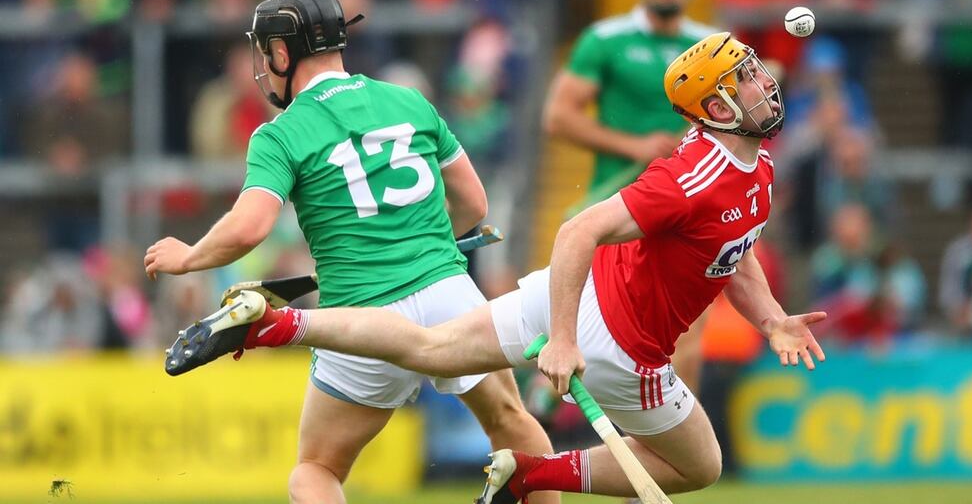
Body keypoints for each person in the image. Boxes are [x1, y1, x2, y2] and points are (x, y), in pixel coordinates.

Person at [160, 31, 828, 501]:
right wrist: (565, 340)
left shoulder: (756, 163)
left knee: (427, 349)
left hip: (566, 300)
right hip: (618, 345)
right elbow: (576, 228)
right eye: (746, 75)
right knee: (702, 464)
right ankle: (532, 476)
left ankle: (277, 325)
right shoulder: (695, 175)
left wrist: (771, 319)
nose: (765, 80)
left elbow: (731, 255)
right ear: (717, 109)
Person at [143, 0, 555, 504]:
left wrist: (188, 256)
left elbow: (250, 228)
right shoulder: (408, 101)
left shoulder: (281, 133)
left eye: (266, 50)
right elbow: (474, 203)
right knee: (510, 422)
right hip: (450, 297)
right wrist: (423, 243)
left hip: (362, 317)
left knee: (316, 470)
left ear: (282, 52)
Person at [542, 0, 717, 402]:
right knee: (600, 343)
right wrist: (635, 145)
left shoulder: (715, 47)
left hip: (687, 209)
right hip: (620, 209)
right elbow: (557, 117)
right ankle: (548, 415)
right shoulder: (605, 39)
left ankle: (682, 464)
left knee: (689, 345)